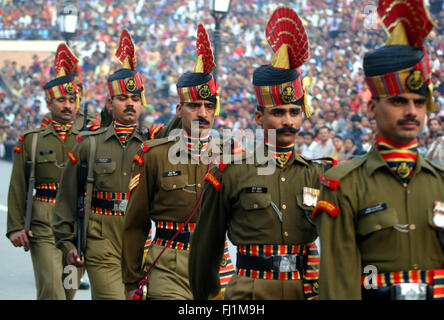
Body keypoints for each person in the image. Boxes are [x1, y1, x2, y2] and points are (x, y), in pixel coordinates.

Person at [188, 8, 326, 300]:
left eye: (294, 112)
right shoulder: (230, 173)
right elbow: (206, 245)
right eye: (278, 112)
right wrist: (205, 296)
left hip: (305, 291)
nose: (288, 121)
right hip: (250, 291)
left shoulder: (318, 175)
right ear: (258, 117)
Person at [313, 1, 444, 300]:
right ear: (372, 107)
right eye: (398, 101)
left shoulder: (441, 182)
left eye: (419, 102)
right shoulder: (343, 185)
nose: (411, 111)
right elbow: (339, 284)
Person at [122, 24, 235, 300]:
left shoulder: (231, 157)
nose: (202, 113)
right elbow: (136, 222)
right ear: (179, 110)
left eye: (209, 107)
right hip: (168, 264)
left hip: (216, 266)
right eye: (194, 106)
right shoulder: (154, 155)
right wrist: (131, 280)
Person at [52, 30, 159, 300]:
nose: (131, 104)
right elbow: (67, 195)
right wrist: (66, 243)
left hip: (140, 235)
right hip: (101, 235)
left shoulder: (152, 144)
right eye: (124, 98)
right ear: (110, 103)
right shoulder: (90, 144)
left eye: (135, 99)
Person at [6, 44, 87, 300]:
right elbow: (18, 186)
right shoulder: (32, 141)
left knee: (69, 288)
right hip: (44, 223)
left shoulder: (89, 139)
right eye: (61, 100)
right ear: (48, 102)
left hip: (78, 224)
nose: (67, 105)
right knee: (52, 291)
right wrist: (16, 227)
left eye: (71, 100)